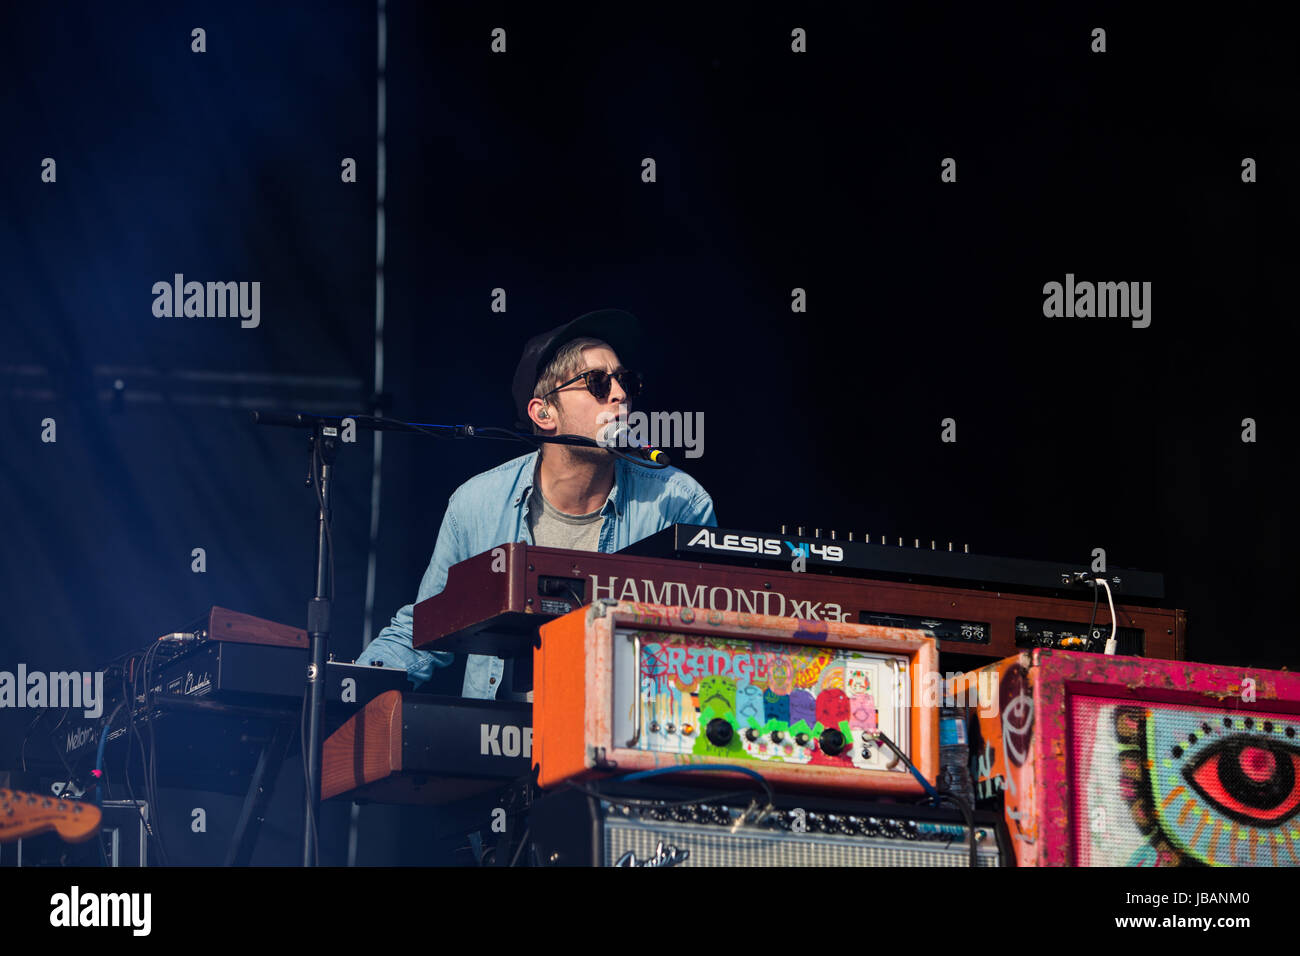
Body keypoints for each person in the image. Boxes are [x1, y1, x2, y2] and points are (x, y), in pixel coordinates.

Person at [359, 309, 717, 698]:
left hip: (622, 742)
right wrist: (345, 689)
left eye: (625, 381)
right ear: (543, 412)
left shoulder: (679, 502)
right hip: (500, 747)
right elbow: (424, 630)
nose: (619, 394)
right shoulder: (476, 504)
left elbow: (707, 645)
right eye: (597, 383)